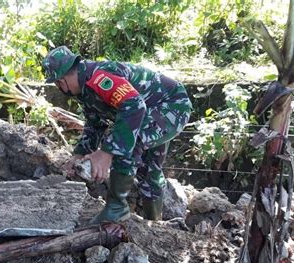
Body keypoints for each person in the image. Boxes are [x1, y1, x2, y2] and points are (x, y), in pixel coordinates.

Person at [42, 46, 192, 223]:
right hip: (152, 110)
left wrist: (105, 153)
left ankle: (116, 207)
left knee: (128, 140)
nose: (59, 88)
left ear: (63, 78)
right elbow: (95, 123)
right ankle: (155, 225)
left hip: (172, 106)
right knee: (149, 169)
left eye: (58, 83)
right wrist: (80, 153)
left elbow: (134, 106)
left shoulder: (99, 78)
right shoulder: (84, 88)